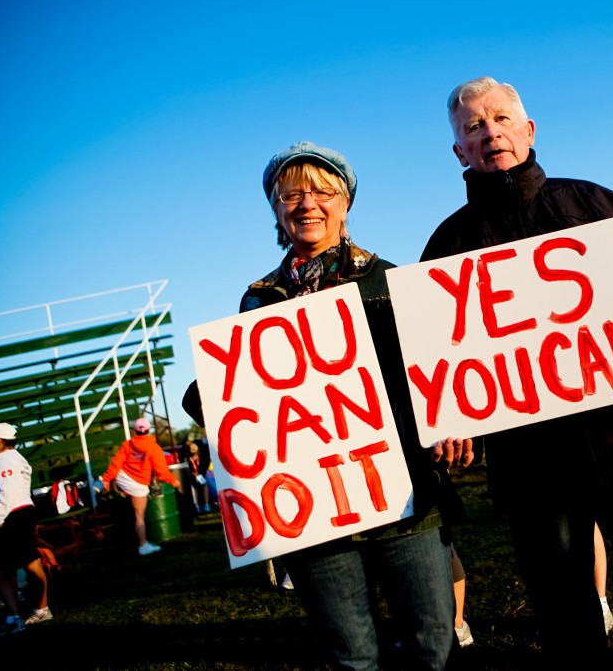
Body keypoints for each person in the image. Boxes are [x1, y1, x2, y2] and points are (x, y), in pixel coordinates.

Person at [422, 76, 613, 669]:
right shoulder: (446, 248)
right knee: (564, 614)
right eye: (473, 126)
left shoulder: (597, 206)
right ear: (459, 152)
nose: (490, 132)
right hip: (532, 470)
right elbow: (437, 356)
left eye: (501, 119)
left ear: (529, 131)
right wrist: (451, 419)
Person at [184, 141, 465, 670]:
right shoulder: (257, 300)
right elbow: (251, 402)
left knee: (433, 644)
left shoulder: (389, 278)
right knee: (351, 655)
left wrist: (449, 423)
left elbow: (436, 370)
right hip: (312, 511)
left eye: (322, 191)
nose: (306, 203)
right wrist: (214, 395)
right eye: (290, 194)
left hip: (403, 492)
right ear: (275, 209)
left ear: (346, 203)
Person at [0, 422, 52, 636]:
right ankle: (41, 609)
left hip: (11, 515)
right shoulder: (18, 458)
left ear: (0, 441)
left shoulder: (3, 459)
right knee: (30, 561)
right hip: (23, 511)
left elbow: (7, 489)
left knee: (1, 571)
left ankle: (14, 618)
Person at [100, 417, 181, 556]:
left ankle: (139, 542)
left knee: (133, 513)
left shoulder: (128, 445)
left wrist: (107, 479)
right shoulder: (153, 447)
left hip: (122, 477)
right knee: (139, 516)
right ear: (149, 430)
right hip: (138, 483)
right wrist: (174, 481)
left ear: (135, 431)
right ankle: (143, 545)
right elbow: (161, 472)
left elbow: (116, 463)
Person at [182, 434, 212, 514]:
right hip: (193, 475)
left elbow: (205, 463)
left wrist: (201, 473)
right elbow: (185, 463)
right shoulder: (187, 454)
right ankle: (196, 506)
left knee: (204, 485)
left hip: (201, 473)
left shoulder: (202, 454)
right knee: (193, 487)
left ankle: (206, 504)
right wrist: (193, 474)